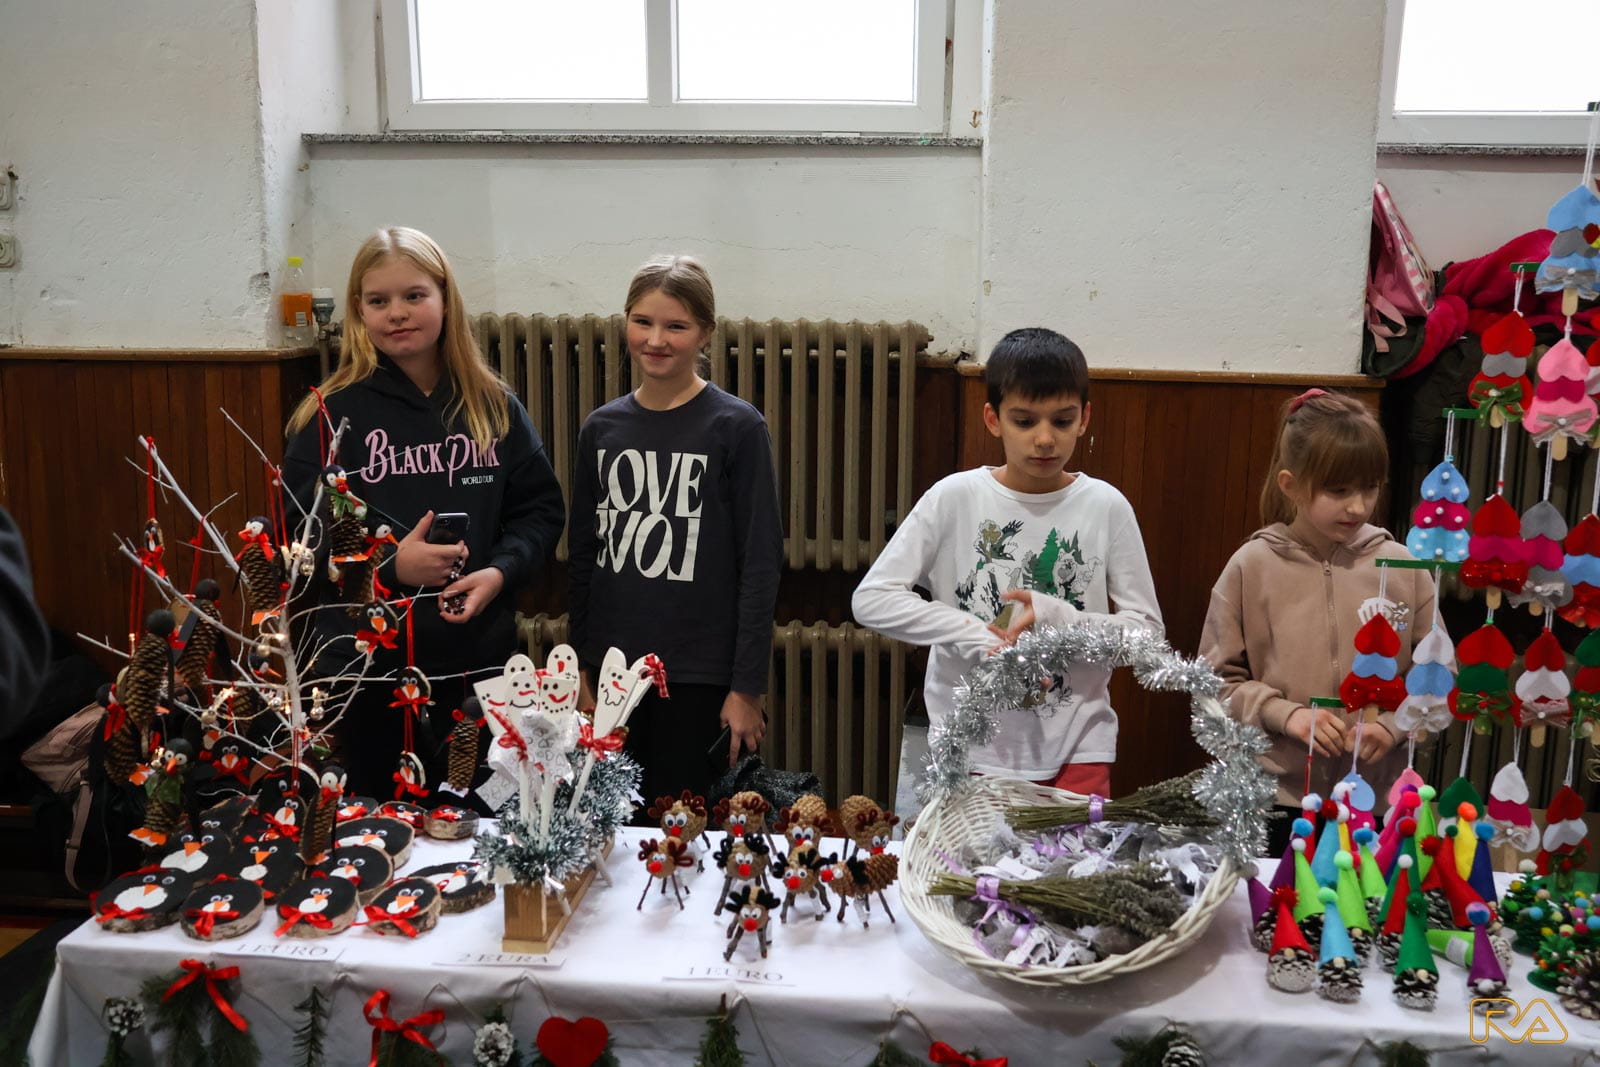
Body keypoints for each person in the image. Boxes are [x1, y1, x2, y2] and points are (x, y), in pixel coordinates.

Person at [283, 226, 565, 798]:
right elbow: (299, 541)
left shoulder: (493, 406)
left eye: (414, 295)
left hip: (477, 661)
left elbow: (540, 512)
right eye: (378, 300)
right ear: (359, 311)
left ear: (445, 299)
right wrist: (387, 568)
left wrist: (499, 572)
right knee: (381, 826)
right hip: (366, 668)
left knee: (483, 817)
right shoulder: (327, 415)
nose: (397, 313)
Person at [852, 327, 1162, 795]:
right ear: (993, 419)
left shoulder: (1106, 506)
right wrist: (976, 633)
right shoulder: (953, 498)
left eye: (1062, 421)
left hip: (1079, 749)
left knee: (1073, 848)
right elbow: (873, 599)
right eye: (1024, 421)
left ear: (1084, 418)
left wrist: (1059, 618)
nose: (1044, 439)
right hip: (968, 747)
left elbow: (1147, 635)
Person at [567, 255, 783, 806]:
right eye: (642, 322)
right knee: (609, 821)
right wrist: (582, 666)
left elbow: (760, 564)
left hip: (698, 675)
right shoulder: (601, 428)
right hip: (612, 671)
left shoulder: (737, 427)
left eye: (676, 326)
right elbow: (584, 555)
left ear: (705, 333)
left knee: (683, 826)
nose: (656, 340)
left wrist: (746, 688)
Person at [1198, 388, 1435, 853]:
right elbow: (1213, 684)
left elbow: (1437, 676)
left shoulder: (1403, 568)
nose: (1357, 506)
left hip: (1378, 800)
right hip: (1275, 798)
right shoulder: (1252, 566)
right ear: (1290, 484)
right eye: (1338, 490)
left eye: (1370, 488)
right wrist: (1286, 715)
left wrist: (1393, 726)